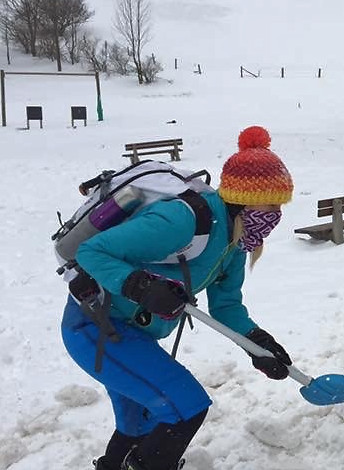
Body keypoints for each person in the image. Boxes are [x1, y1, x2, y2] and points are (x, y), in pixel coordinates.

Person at [62, 126, 296, 470]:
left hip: (134, 336)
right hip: (97, 327)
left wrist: (257, 344)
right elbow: (90, 252)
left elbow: (227, 306)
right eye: (271, 204)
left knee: (140, 423)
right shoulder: (181, 221)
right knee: (185, 407)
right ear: (243, 198)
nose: (276, 214)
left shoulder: (234, 242)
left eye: (280, 205)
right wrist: (139, 286)